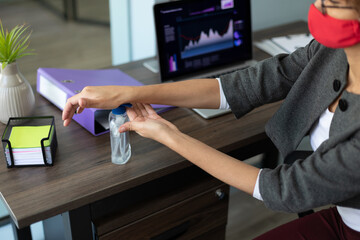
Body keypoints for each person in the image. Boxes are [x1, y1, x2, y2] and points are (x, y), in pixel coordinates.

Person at [62, 0, 360, 239]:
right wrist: (130, 92)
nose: (317, 6)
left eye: (332, 1)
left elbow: (284, 189)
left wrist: (169, 135)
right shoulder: (329, 51)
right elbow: (243, 85)